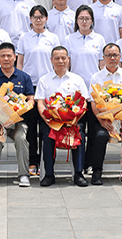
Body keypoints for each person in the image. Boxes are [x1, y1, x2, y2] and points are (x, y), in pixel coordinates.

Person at [37, 46, 95, 187]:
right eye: (57, 58)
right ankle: (49, 174)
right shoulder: (44, 80)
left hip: (73, 121)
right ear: (51, 60)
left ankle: (78, 174)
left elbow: (84, 102)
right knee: (48, 137)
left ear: (68, 59)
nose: (60, 61)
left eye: (63, 58)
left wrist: (75, 120)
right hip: (51, 121)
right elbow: (40, 103)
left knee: (79, 135)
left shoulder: (77, 79)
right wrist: (49, 120)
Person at [0, 43, 36, 187]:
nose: (6, 59)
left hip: (18, 121)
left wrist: (24, 107)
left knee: (21, 138)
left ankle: (23, 174)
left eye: (9, 56)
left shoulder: (24, 77)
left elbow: (30, 99)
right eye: (3, 56)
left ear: (15, 57)